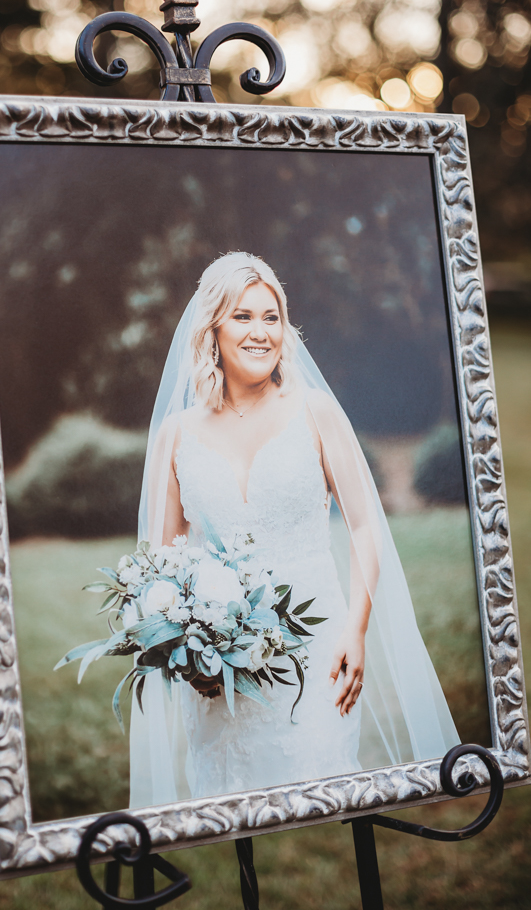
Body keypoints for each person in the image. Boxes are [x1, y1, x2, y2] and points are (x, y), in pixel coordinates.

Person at [129, 252, 459, 807]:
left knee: (333, 801)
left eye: (272, 316)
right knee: (236, 821)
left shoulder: (316, 411)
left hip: (317, 648)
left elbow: (364, 526)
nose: (261, 332)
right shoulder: (176, 435)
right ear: (212, 327)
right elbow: (164, 563)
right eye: (243, 317)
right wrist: (187, 655)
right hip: (220, 672)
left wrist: (355, 630)